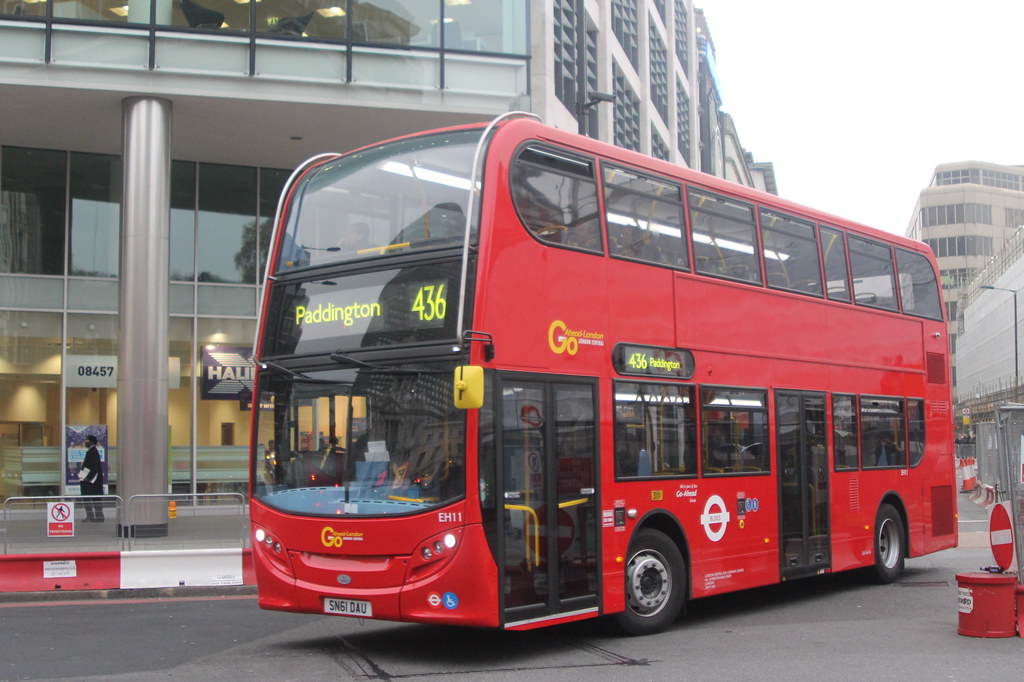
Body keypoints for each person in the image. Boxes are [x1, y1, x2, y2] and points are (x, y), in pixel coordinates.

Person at [79, 435, 105, 522]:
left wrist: (88, 478)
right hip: (91, 480)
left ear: (90, 441)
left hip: (91, 482)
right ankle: (96, 516)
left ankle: (94, 516)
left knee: (90, 498)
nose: (85, 442)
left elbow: (95, 467)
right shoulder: (91, 451)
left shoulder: (93, 452)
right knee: (94, 498)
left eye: (86, 440)